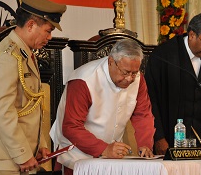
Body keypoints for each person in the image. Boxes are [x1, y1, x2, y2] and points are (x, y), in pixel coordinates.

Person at [0, 0, 66, 174]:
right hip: (2, 162)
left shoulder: (24, 54)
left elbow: (30, 107)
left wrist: (39, 145)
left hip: (18, 159)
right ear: (30, 25)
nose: (50, 37)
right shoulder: (7, 57)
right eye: (48, 30)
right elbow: (2, 111)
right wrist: (22, 154)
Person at [50, 39, 155, 175]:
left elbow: (143, 114)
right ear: (111, 61)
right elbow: (71, 127)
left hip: (111, 159)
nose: (130, 78)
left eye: (134, 73)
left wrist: (145, 144)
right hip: (77, 157)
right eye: (125, 72)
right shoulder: (83, 80)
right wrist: (104, 148)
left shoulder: (138, 80)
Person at [145, 12, 201, 155]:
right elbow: (150, 101)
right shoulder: (163, 55)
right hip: (170, 137)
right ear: (192, 34)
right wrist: (158, 138)